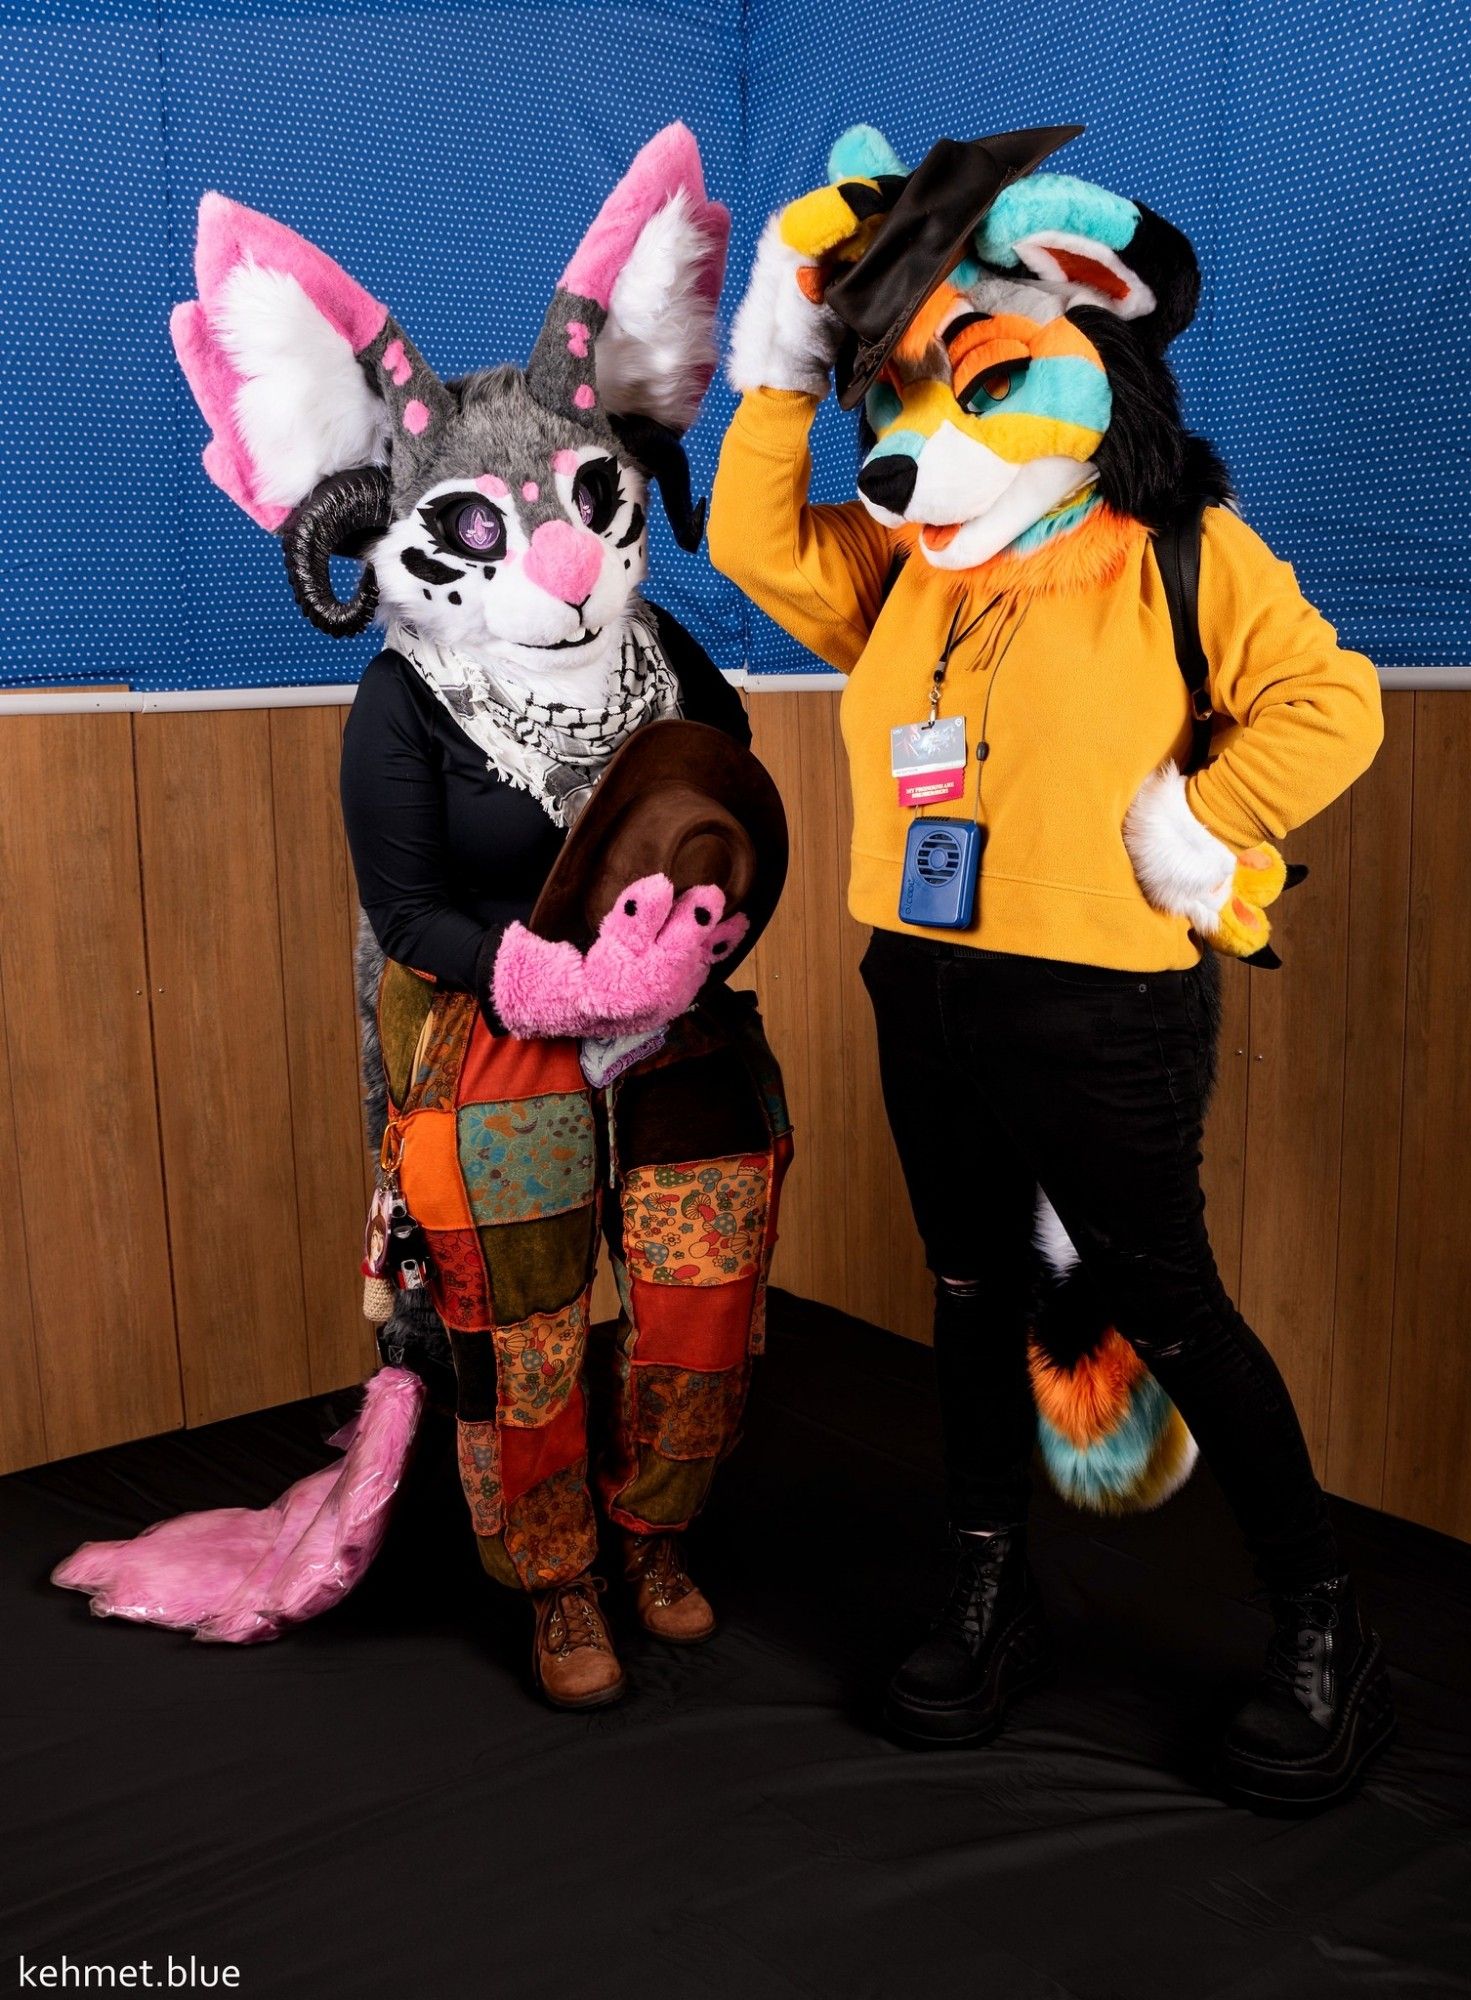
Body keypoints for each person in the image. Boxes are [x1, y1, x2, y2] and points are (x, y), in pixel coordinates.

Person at [709, 123, 1391, 1807]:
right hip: (924, 981)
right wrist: (789, 372)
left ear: (1088, 356)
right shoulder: (906, 569)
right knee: (967, 1288)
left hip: (1105, 1000)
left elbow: (1334, 700)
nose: (918, 449)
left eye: (980, 388)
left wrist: (1203, 821)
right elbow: (748, 541)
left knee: (1167, 1299)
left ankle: (1322, 1622)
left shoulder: (1172, 549)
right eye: (907, 404)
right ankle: (994, 1582)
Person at [166, 125, 791, 1707]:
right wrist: (561, 977)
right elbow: (410, 911)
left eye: (585, 500)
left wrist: (699, 941)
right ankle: (558, 1576)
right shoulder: (403, 705)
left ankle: (657, 1531)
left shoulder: (677, 673)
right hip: (491, 1040)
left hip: (684, 1032)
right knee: (519, 1331)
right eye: (485, 525)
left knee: (704, 1294)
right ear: (393, 534)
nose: (567, 557)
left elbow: (735, 827)